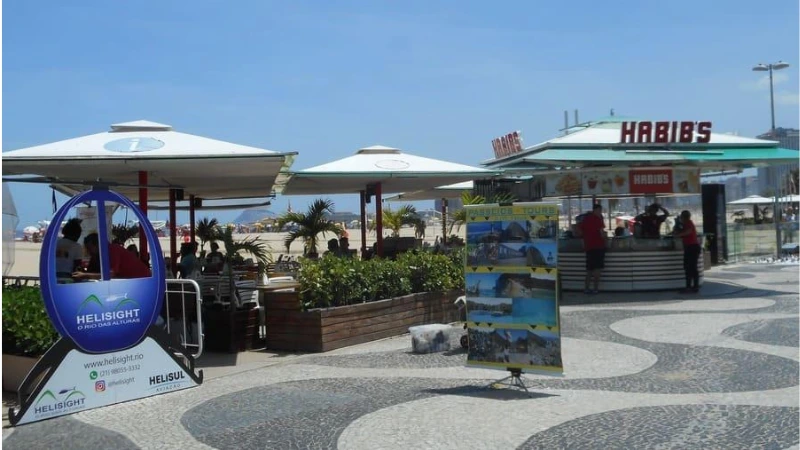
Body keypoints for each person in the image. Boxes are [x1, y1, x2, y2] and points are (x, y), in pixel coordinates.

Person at [73, 233, 151, 280]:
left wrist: (85, 275)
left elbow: (111, 274)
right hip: (129, 280)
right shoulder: (96, 256)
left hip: (142, 279)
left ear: (98, 245)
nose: (88, 252)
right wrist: (83, 272)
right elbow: (92, 272)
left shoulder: (113, 249)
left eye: (90, 248)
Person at [580, 203, 606, 294]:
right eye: (599, 210)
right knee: (597, 270)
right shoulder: (598, 219)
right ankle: (595, 289)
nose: (600, 212)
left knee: (589, 270)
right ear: (595, 210)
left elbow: (581, 232)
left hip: (589, 248)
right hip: (598, 247)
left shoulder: (585, 219)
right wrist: (605, 239)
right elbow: (602, 233)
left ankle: (586, 288)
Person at [674, 210, 701, 293]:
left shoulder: (689, 223)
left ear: (684, 217)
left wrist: (678, 235)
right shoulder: (686, 224)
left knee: (691, 268)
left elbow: (688, 232)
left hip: (692, 247)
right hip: (691, 247)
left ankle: (692, 287)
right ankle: (690, 286)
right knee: (689, 268)